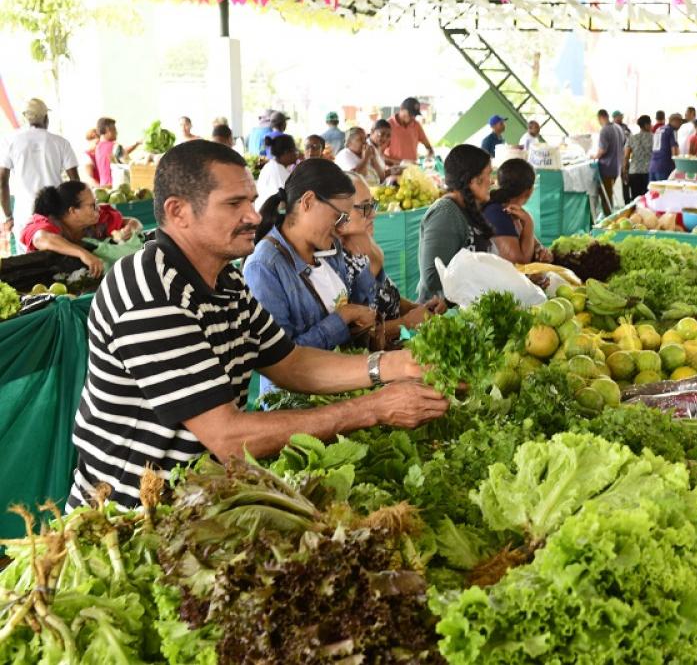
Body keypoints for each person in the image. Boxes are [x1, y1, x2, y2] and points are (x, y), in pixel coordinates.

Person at [64, 139, 449, 509]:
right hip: (128, 517)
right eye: (234, 204)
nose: (253, 215)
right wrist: (373, 409)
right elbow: (227, 435)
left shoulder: (226, 281)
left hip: (196, 500)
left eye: (250, 200)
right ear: (178, 211)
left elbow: (290, 362)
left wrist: (391, 366)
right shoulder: (150, 291)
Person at [244, 160, 382, 394]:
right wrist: (342, 318)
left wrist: (372, 263)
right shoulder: (264, 267)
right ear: (307, 202)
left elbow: (352, 307)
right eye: (338, 217)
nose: (341, 227)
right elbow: (278, 358)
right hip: (295, 403)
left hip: (341, 384)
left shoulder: (329, 249)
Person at [338, 171, 446, 344]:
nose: (373, 214)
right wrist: (406, 323)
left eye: (372, 204)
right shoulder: (336, 265)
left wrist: (419, 309)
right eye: (364, 207)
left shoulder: (363, 244)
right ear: (338, 213)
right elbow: (355, 335)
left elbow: (385, 296)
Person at [0, 98, 80, 253]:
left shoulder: (10, 141)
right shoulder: (61, 142)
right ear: (46, 118)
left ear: (25, 118)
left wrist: (8, 216)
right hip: (56, 213)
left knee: (28, 265)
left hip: (24, 214)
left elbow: (2, 181)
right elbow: (75, 183)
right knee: (58, 262)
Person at [417, 145, 493, 302]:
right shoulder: (446, 213)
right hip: (441, 314)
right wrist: (487, 275)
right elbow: (432, 278)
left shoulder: (469, 208)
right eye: (488, 175)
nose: (491, 182)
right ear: (473, 180)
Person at [21, 181, 142, 276]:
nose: (98, 209)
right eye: (92, 205)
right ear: (73, 211)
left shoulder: (98, 219)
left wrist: (130, 229)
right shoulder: (46, 222)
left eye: (96, 203)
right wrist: (82, 253)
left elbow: (133, 222)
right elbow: (41, 239)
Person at [481, 158, 550, 265]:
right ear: (529, 191)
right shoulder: (496, 213)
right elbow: (520, 263)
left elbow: (534, 243)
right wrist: (529, 223)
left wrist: (540, 249)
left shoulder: (514, 211)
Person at [256, 134, 298, 211]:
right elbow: (285, 202)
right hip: (270, 216)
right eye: (295, 150)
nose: (297, 154)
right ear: (286, 152)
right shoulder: (279, 172)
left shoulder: (272, 166)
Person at [94, 117, 140, 188]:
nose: (117, 133)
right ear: (108, 129)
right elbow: (129, 164)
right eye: (114, 130)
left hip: (103, 186)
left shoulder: (98, 147)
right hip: (116, 186)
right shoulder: (115, 146)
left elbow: (120, 153)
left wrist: (136, 144)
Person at [386, 97, 434, 163]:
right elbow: (379, 155)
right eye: (411, 114)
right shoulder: (388, 125)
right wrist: (400, 163)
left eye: (415, 115)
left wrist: (429, 156)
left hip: (412, 169)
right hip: (393, 171)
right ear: (402, 109)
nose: (413, 117)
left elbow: (428, 147)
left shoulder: (416, 125)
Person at [595, 109, 624, 215]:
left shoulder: (604, 130)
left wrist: (594, 156)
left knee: (605, 195)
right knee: (609, 193)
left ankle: (608, 218)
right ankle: (609, 214)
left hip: (606, 168)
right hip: (616, 167)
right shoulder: (618, 128)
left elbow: (602, 149)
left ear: (600, 118)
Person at [623, 114, 653, 200]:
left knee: (636, 199)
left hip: (634, 171)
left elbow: (626, 156)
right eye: (650, 123)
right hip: (648, 172)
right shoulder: (654, 137)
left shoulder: (632, 138)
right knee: (647, 199)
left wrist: (625, 170)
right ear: (646, 125)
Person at [648, 112, 682, 183]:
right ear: (674, 121)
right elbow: (674, 151)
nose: (680, 124)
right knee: (665, 192)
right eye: (680, 121)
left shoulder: (659, 129)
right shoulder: (671, 131)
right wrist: (678, 166)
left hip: (653, 166)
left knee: (653, 192)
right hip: (665, 166)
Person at [366, 120, 393, 185]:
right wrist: (391, 172)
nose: (385, 138)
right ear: (372, 131)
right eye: (382, 134)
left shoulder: (377, 147)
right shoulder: (368, 148)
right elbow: (379, 176)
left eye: (388, 136)